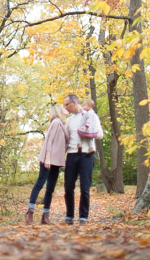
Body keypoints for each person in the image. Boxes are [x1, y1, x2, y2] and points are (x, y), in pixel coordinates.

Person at [25, 104, 69, 225]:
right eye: (63, 107)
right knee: (40, 183)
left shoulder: (62, 124)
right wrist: (48, 158)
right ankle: (30, 212)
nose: (66, 109)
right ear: (59, 111)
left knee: (50, 188)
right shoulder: (55, 122)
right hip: (48, 159)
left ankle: (45, 215)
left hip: (57, 161)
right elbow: (49, 140)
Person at [63, 94, 102, 225]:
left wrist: (87, 132)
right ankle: (69, 216)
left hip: (86, 154)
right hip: (72, 154)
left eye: (67, 104)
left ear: (74, 103)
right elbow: (66, 140)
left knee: (85, 187)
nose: (65, 107)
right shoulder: (69, 120)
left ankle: (83, 217)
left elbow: (100, 134)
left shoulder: (91, 115)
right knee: (68, 187)